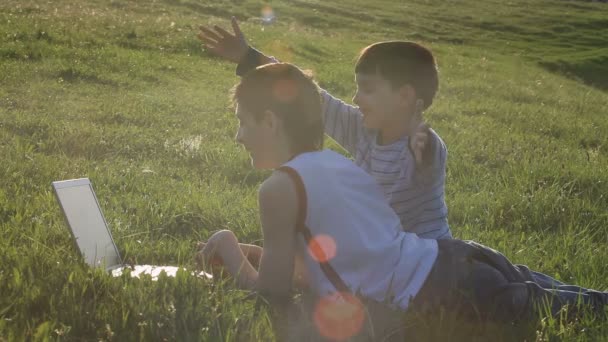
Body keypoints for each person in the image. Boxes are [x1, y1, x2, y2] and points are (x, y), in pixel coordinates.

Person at [196, 62, 607, 341]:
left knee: (581, 316)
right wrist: (259, 254)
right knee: (590, 302)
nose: (238, 137)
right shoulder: (337, 165)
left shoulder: (277, 189)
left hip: (446, 295)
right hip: (458, 260)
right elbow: (329, 263)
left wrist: (230, 249)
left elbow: (272, 295)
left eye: (242, 123)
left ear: (269, 121)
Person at [198, 18, 452, 240]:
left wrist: (422, 150)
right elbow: (309, 93)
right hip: (382, 251)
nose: (356, 98)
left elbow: (426, 165)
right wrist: (248, 57)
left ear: (405, 96)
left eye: (368, 89)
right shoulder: (363, 130)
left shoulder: (425, 144)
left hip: (432, 258)